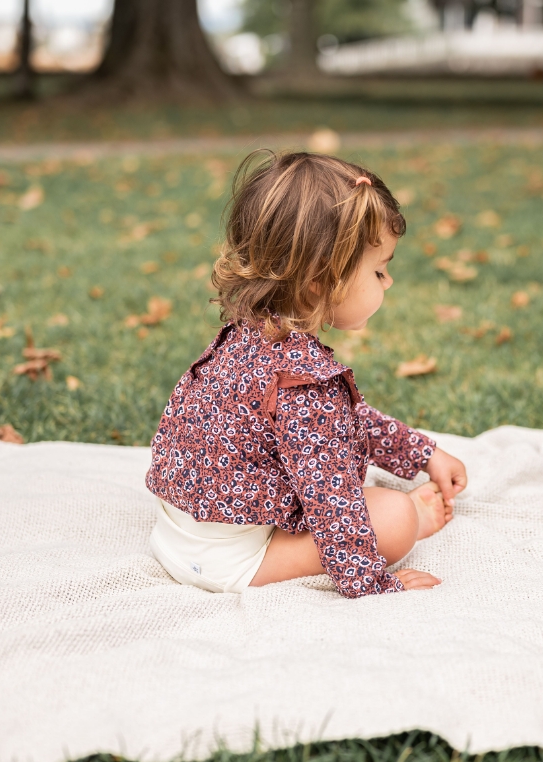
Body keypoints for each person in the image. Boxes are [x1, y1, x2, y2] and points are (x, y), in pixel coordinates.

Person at [146, 151, 468, 599]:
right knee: (393, 515)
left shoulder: (248, 336)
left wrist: (421, 452)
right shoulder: (305, 385)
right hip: (233, 560)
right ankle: (411, 517)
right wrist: (373, 581)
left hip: (178, 536)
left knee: (349, 485)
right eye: (379, 270)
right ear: (320, 280)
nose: (388, 282)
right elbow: (333, 503)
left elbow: (336, 426)